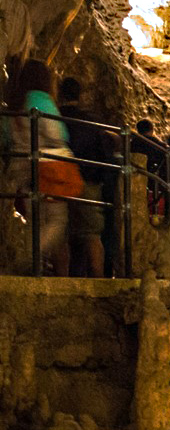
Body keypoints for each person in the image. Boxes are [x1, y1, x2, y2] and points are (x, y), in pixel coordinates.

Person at [10, 60, 81, 276]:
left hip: (21, 166)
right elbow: (56, 133)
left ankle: (36, 265)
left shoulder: (17, 101)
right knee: (57, 219)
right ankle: (29, 255)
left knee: (35, 219)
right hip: (47, 167)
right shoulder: (40, 99)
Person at [57, 78, 111, 278]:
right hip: (88, 180)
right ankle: (99, 279)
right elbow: (102, 151)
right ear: (79, 95)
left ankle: (62, 279)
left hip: (59, 180)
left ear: (61, 94)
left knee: (61, 233)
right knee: (91, 234)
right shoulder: (91, 121)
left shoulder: (55, 118)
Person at [132, 119, 167, 221]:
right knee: (155, 214)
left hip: (135, 184)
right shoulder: (160, 146)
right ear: (152, 129)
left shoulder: (131, 144)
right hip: (155, 184)